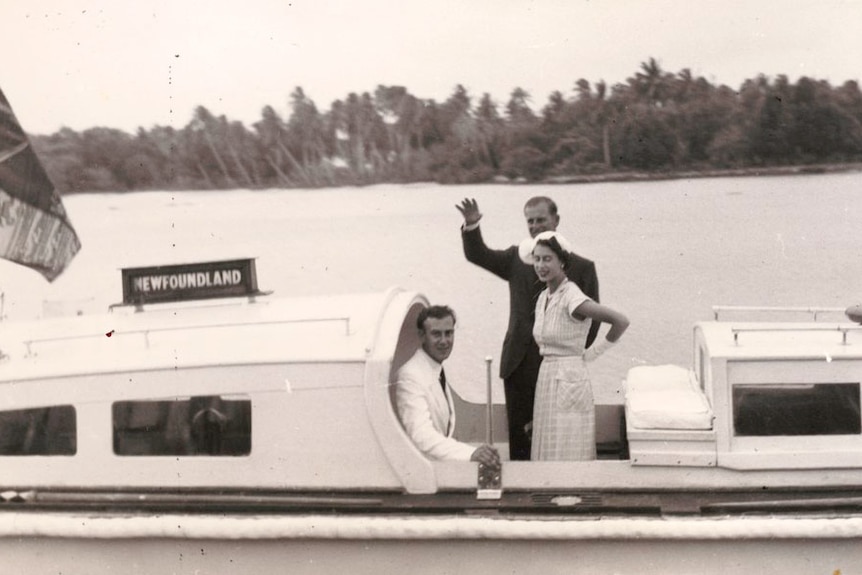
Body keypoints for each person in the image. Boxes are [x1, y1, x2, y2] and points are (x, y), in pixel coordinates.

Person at [457, 196, 600, 460]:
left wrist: (570, 355)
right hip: (518, 364)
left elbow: (592, 326)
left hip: (559, 369)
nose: (535, 226)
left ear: (556, 220)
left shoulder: (583, 267)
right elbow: (478, 254)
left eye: (541, 219)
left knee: (558, 440)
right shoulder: (516, 258)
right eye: (530, 221)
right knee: (521, 441)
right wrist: (472, 224)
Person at [527, 231, 629, 460]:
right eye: (537, 259)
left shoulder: (571, 296)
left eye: (547, 259)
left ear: (562, 261)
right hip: (548, 377)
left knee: (567, 446)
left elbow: (620, 321)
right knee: (549, 445)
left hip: (569, 376)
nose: (541, 265)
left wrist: (593, 353)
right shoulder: (544, 296)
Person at [395, 305, 500, 467]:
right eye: (436, 334)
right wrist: (471, 453)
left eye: (449, 333)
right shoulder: (410, 375)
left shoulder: (435, 368)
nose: (444, 341)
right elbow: (421, 434)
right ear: (422, 336)